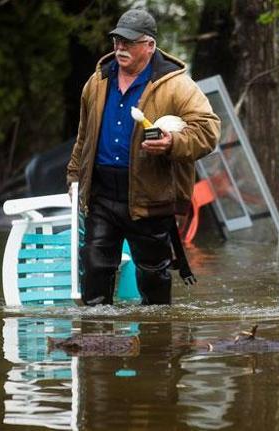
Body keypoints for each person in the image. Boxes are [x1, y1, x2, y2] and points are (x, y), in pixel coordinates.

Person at [66, 8, 220, 306]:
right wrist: (74, 176)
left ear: (149, 45)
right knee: (95, 268)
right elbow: (84, 137)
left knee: (152, 276)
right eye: (116, 40)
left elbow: (209, 130)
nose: (119, 47)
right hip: (101, 193)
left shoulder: (176, 85)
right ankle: (95, 344)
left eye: (128, 42)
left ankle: (156, 346)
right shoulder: (96, 82)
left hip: (151, 195)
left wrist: (172, 142)